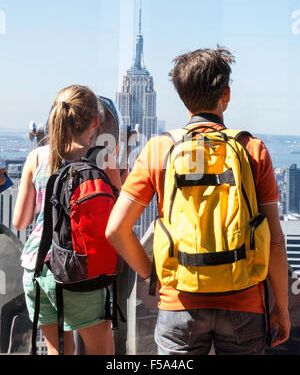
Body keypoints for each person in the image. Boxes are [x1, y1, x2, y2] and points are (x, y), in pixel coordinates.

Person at [106, 47, 291, 355]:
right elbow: (274, 241)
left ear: (182, 97)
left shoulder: (159, 149)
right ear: (226, 94)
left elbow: (115, 230)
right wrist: (282, 307)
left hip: (179, 300)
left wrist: (154, 275)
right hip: (245, 302)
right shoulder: (252, 149)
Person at [13, 85, 121, 355]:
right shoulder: (103, 158)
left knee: (58, 351)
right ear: (95, 122)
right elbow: (118, 216)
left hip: (36, 268)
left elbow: (20, 221)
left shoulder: (36, 157)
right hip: (78, 269)